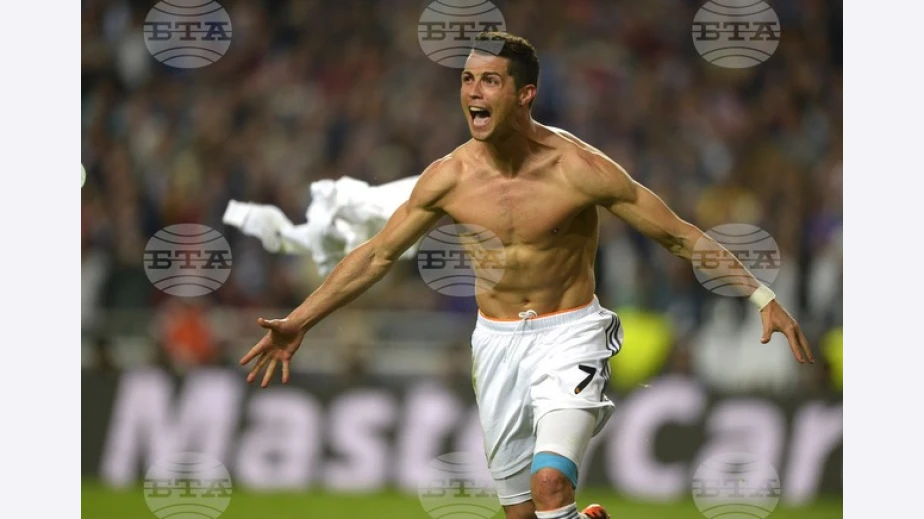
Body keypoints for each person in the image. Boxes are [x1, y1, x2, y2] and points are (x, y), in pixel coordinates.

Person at [238, 32, 814, 519]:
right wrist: (300, 321)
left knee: (549, 487)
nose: (473, 92)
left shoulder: (578, 169)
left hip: (571, 335)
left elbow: (678, 234)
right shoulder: (449, 178)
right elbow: (377, 255)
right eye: (467, 80)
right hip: (496, 344)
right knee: (521, 513)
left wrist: (761, 295)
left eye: (489, 81)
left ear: (525, 94)